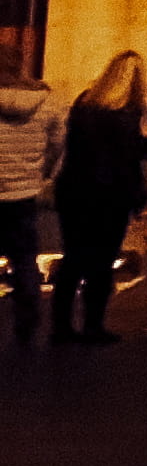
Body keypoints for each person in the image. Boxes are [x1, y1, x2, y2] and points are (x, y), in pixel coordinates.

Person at [52, 53, 147, 343]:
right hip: (110, 196)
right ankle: (92, 326)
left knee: (73, 258)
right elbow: (127, 160)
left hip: (74, 191)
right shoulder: (127, 113)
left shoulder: (85, 104)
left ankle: (61, 327)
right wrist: (137, 195)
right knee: (102, 262)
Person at [0, 59, 60, 343]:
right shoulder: (45, 101)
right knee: (24, 260)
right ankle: (27, 324)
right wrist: (41, 172)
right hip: (23, 193)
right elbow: (58, 143)